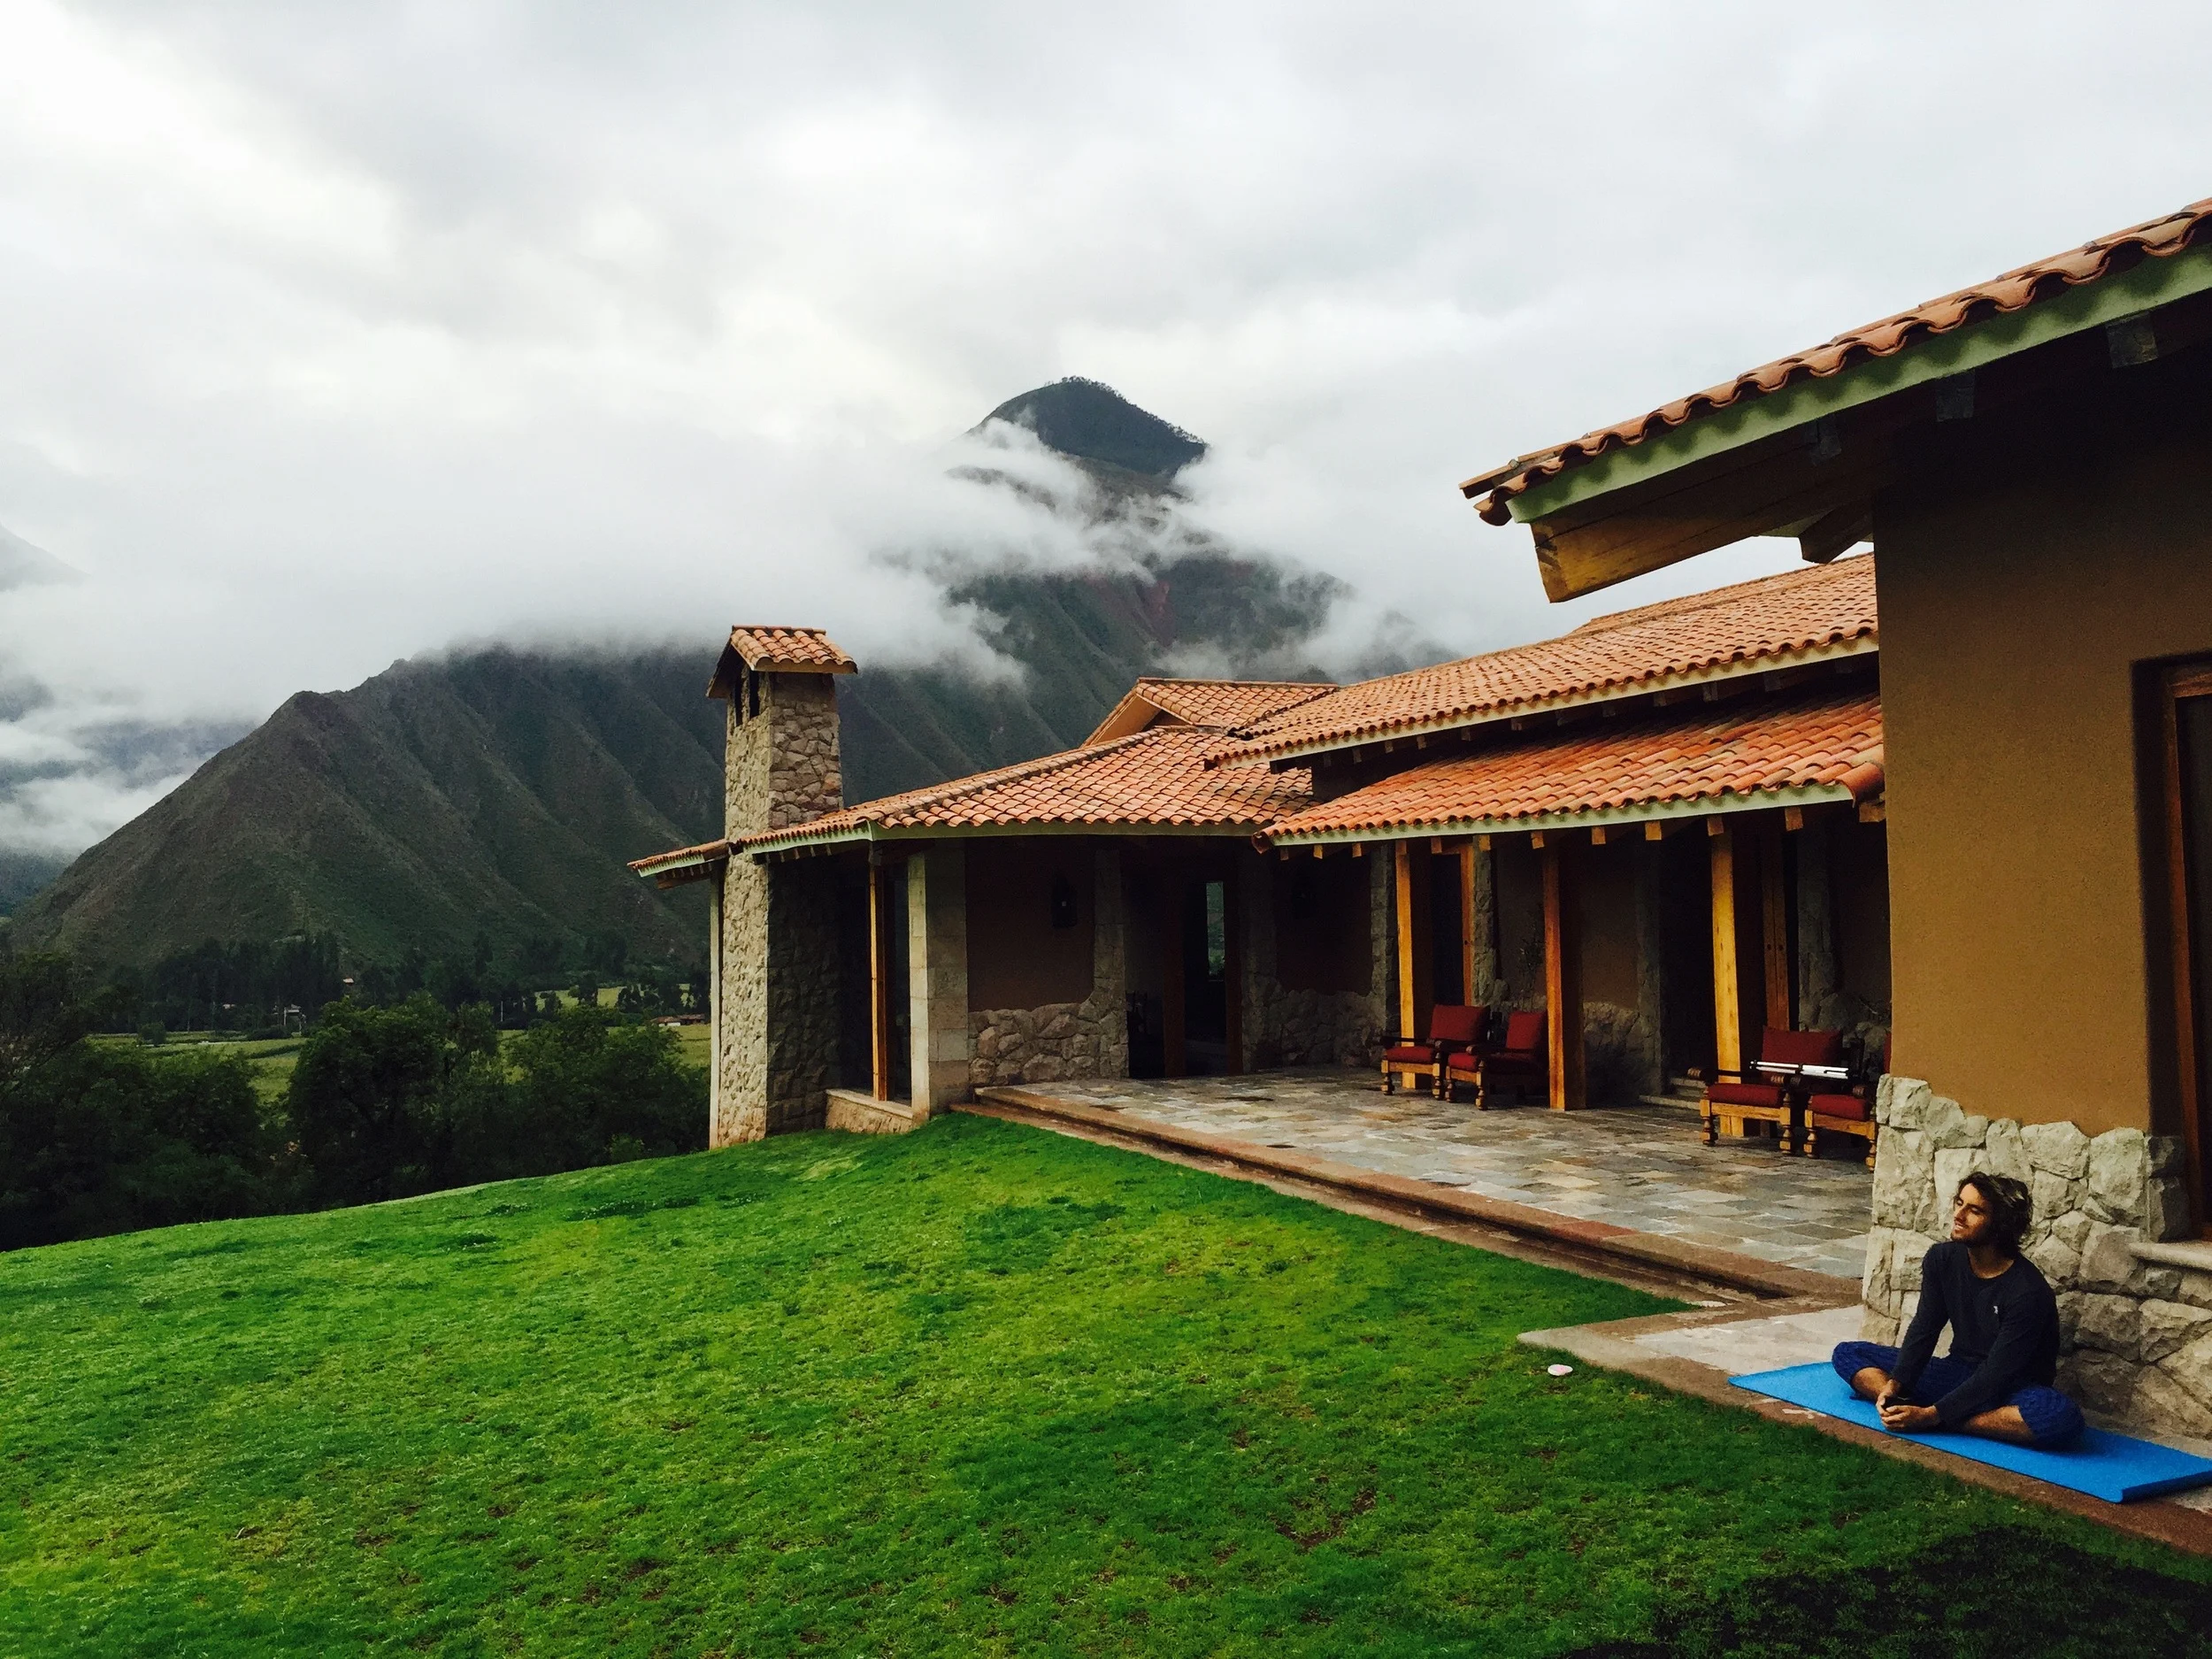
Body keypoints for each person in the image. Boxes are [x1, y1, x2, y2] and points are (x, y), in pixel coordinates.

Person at [1831, 1171, 2084, 1447]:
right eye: (1959, 1203)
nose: (1959, 1215)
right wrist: (1896, 1385)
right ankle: (1906, 1408)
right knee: (1848, 1353)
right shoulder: (1942, 1259)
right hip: (1957, 1372)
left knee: (2058, 1416)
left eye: (1974, 1211)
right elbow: (1925, 1328)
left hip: (2011, 1388)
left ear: (2000, 1225)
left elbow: (1997, 1373)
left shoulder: (2028, 1291)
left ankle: (1941, 1418)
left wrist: (1932, 1417)